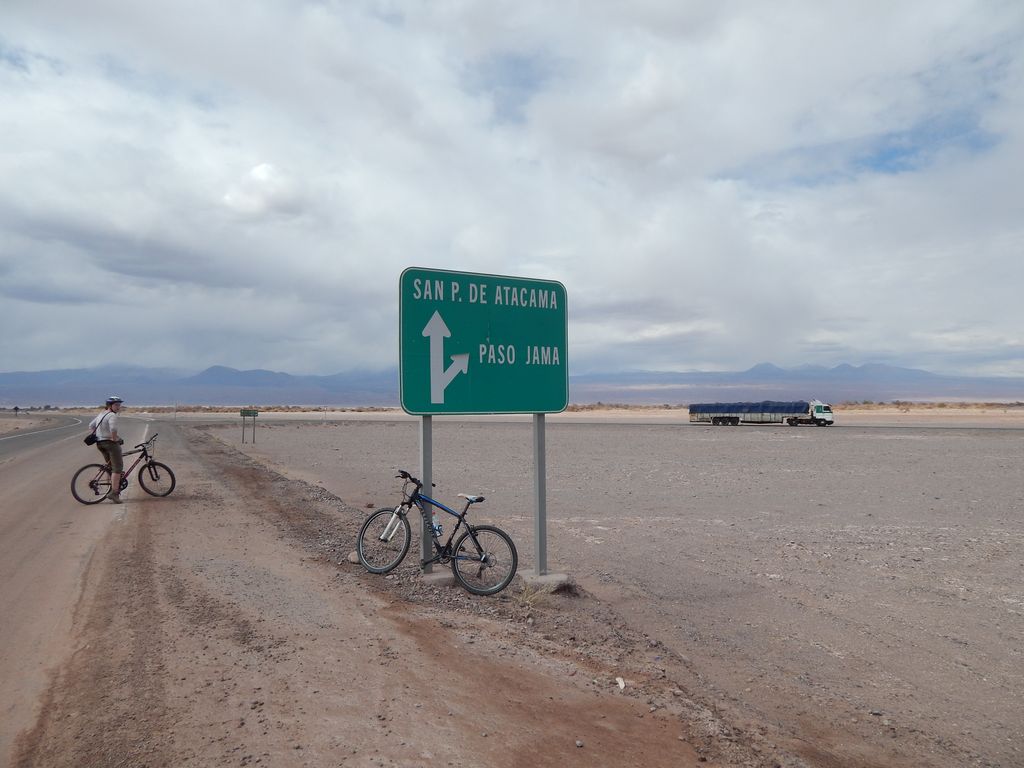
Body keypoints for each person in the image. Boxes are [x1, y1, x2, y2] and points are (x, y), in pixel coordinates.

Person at [90, 396, 124, 503]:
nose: (118, 407)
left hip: (100, 443)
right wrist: (114, 438)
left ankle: (110, 488)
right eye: (116, 405)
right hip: (110, 444)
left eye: (119, 405)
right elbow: (113, 428)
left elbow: (91, 425)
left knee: (110, 467)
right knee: (117, 468)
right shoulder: (112, 415)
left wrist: (99, 435)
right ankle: (114, 493)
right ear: (110, 405)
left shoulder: (102, 414)